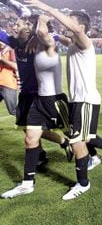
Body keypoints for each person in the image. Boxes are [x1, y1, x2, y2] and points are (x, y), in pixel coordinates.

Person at [24, 0, 102, 200]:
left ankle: (83, 183)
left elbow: (75, 30)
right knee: (84, 138)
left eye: (70, 20)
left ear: (81, 27)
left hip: (86, 100)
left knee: (78, 140)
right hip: (78, 100)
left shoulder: (85, 42)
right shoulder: (72, 44)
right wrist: (40, 34)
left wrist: (45, 6)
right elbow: (55, 37)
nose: (65, 23)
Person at [1, 14, 72, 199]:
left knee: (71, 133)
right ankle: (31, 176)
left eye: (17, 25)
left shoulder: (41, 41)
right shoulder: (15, 42)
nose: (13, 28)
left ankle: (85, 148)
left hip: (42, 96)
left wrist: (40, 34)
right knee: (30, 134)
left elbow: (56, 37)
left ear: (30, 28)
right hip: (26, 95)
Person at [0, 41, 18, 116]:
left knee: (13, 110)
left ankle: (35, 122)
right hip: (1, 83)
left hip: (8, 84)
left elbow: (16, 66)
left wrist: (2, 59)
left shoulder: (11, 50)